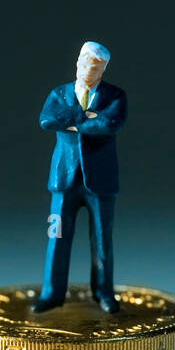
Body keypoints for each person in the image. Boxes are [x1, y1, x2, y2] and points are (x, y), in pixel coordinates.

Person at [34, 41, 128, 313]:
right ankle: (51, 293)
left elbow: (110, 124)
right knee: (56, 238)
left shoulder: (115, 95)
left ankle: (104, 293)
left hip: (101, 181)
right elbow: (47, 120)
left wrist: (76, 123)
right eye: (85, 62)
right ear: (77, 62)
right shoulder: (60, 93)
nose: (89, 69)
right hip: (64, 179)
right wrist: (86, 117)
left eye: (96, 66)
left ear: (104, 69)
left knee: (102, 241)